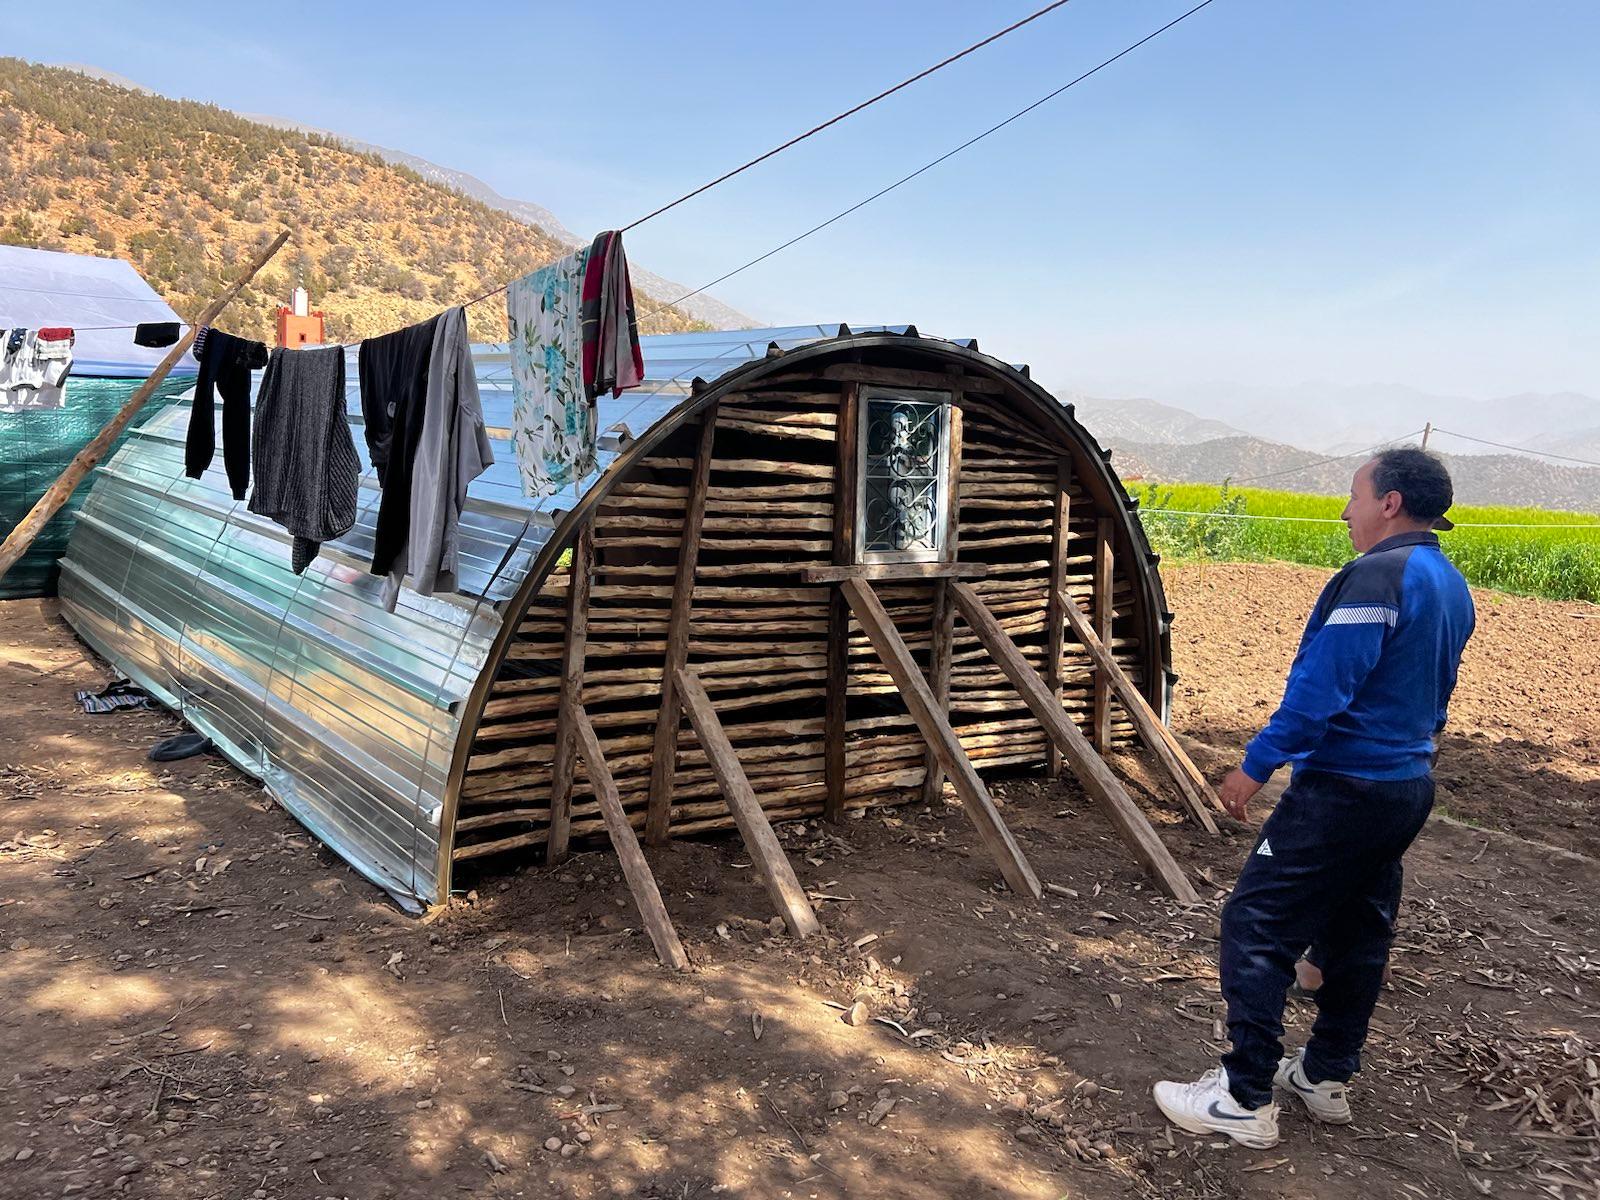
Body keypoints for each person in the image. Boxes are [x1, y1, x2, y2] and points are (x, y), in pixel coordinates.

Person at [1153, 448, 1476, 1149]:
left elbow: (1322, 689)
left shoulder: (1377, 576)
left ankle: (1243, 1099)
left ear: (1390, 503)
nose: (1344, 509)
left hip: (1345, 789)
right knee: (1357, 931)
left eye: (1355, 495)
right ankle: (1325, 1076)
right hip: (1404, 787)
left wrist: (1256, 766)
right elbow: (1435, 693)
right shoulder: (1449, 582)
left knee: (1256, 924)